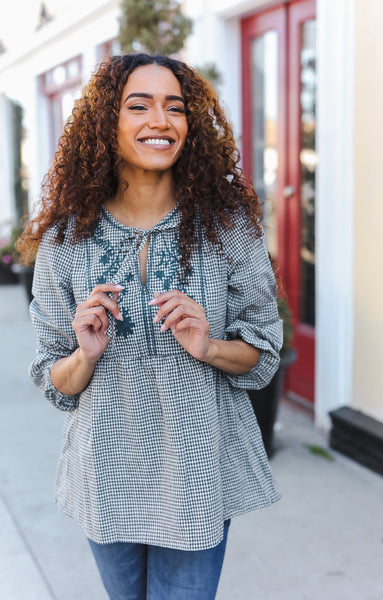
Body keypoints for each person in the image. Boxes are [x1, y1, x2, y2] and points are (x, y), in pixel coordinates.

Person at [19, 53, 283, 600]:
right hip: (106, 475)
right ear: (105, 123)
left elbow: (264, 358)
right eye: (138, 105)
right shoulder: (66, 241)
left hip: (197, 471)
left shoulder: (226, 229)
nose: (160, 121)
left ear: (191, 125)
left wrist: (208, 345)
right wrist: (84, 354)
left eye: (175, 108)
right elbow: (53, 381)